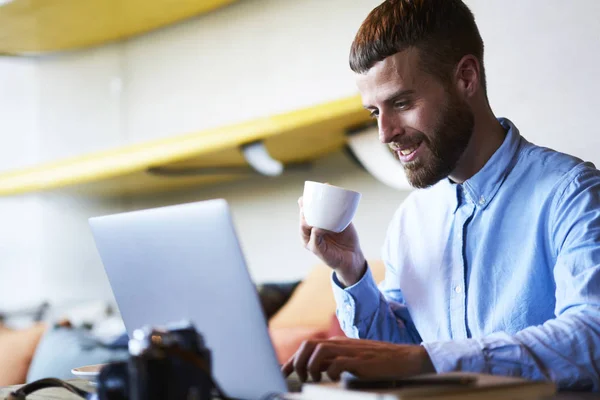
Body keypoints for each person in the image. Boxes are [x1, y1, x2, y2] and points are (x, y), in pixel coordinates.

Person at [282, 0, 600, 391]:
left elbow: (591, 337)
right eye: (374, 113)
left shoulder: (572, 193)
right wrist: (352, 271)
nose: (385, 133)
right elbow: (401, 357)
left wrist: (429, 359)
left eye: (401, 103)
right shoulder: (410, 220)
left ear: (466, 78)